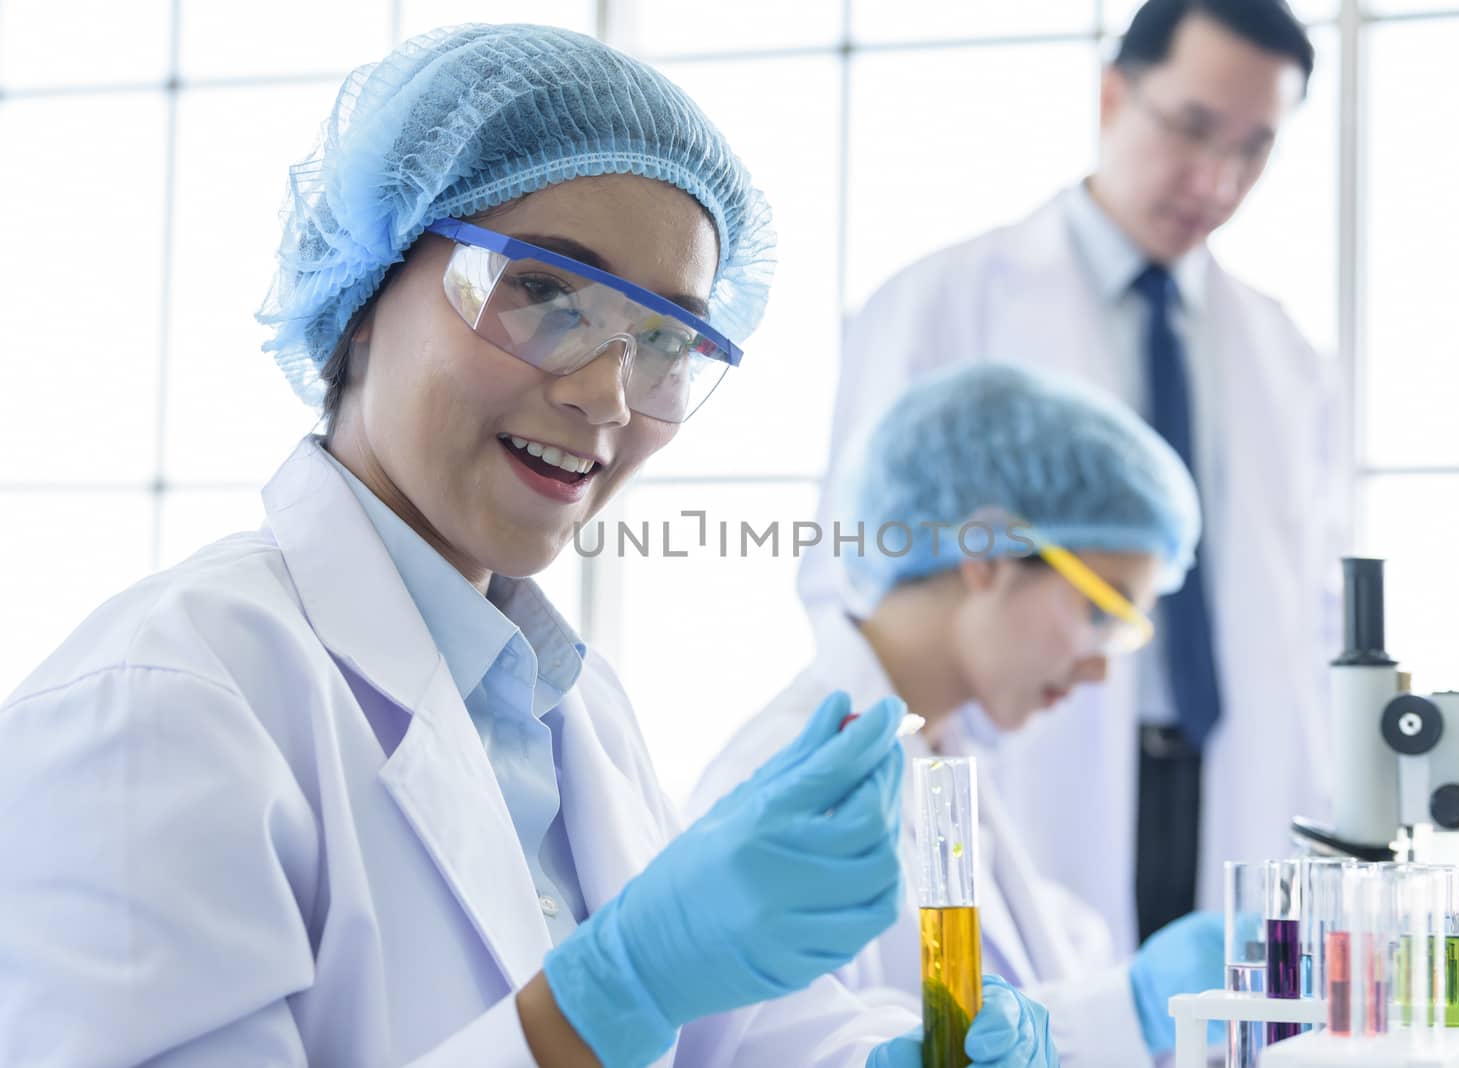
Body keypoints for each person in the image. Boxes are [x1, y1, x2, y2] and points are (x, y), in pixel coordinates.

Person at [0, 26, 1058, 1068]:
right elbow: (629, 998)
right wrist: (606, 999)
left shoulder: (575, 709)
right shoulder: (163, 700)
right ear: (367, 294)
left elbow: (715, 1038)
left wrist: (886, 1055)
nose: (605, 394)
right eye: (544, 292)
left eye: (662, 340)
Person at [797, 0, 1346, 951]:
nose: (1215, 179)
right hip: (1022, 775)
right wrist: (928, 776)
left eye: (1254, 150)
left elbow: (1318, 608)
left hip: (1235, 781)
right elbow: (855, 564)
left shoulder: (1284, 353)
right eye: (1191, 126)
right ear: (1112, 94)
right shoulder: (949, 300)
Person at [694, 363, 1224, 1064]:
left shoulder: (940, 751)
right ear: (986, 552)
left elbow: (1034, 983)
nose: (1102, 666)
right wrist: (1128, 1007)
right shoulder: (787, 772)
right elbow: (769, 1046)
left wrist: (1144, 999)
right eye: (1102, 610)